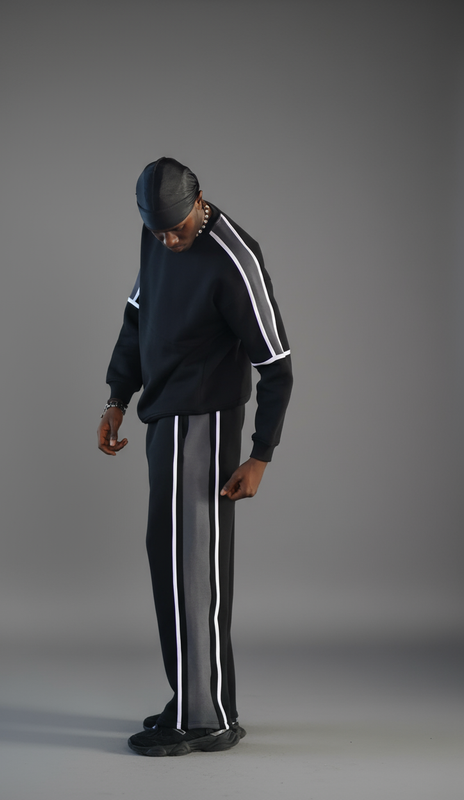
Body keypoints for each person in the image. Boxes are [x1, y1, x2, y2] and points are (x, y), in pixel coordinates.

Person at [97, 157, 293, 757]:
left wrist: (261, 454)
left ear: (199, 201)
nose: (167, 240)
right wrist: (117, 397)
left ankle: (203, 719)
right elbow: (138, 316)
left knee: (191, 569)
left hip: (203, 422)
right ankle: (197, 698)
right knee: (170, 560)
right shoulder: (157, 234)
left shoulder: (234, 257)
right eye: (156, 230)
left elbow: (276, 364)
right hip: (165, 417)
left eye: (177, 229)